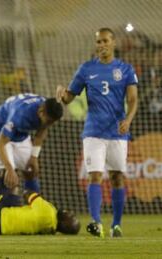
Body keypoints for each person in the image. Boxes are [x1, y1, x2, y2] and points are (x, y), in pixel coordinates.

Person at [56, 27, 138, 238]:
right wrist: (61, 94)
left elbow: (132, 99)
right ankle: (96, 222)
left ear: (113, 43)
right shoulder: (85, 69)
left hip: (117, 133)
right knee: (95, 176)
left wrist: (128, 120)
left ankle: (116, 225)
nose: (101, 45)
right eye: (98, 42)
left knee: (117, 177)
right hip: (93, 132)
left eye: (104, 41)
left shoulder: (126, 69)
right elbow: (69, 98)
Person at [0, 169, 81, 236]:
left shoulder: (49, 212)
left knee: (4, 173)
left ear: (64, 225)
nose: (69, 212)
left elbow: (28, 194)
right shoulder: (50, 230)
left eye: (71, 217)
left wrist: (27, 178)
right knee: (15, 198)